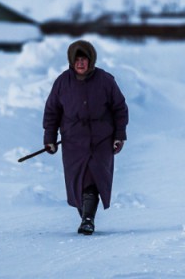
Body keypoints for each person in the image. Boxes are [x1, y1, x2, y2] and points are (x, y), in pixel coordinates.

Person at [42, 39, 129, 235]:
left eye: (84, 59)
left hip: (101, 140)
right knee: (78, 182)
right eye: (77, 59)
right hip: (73, 142)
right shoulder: (62, 82)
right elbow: (51, 112)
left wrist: (119, 135)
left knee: (93, 180)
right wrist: (49, 138)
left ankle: (88, 219)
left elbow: (120, 108)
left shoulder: (106, 80)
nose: (81, 63)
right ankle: (85, 214)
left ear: (92, 60)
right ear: (71, 61)